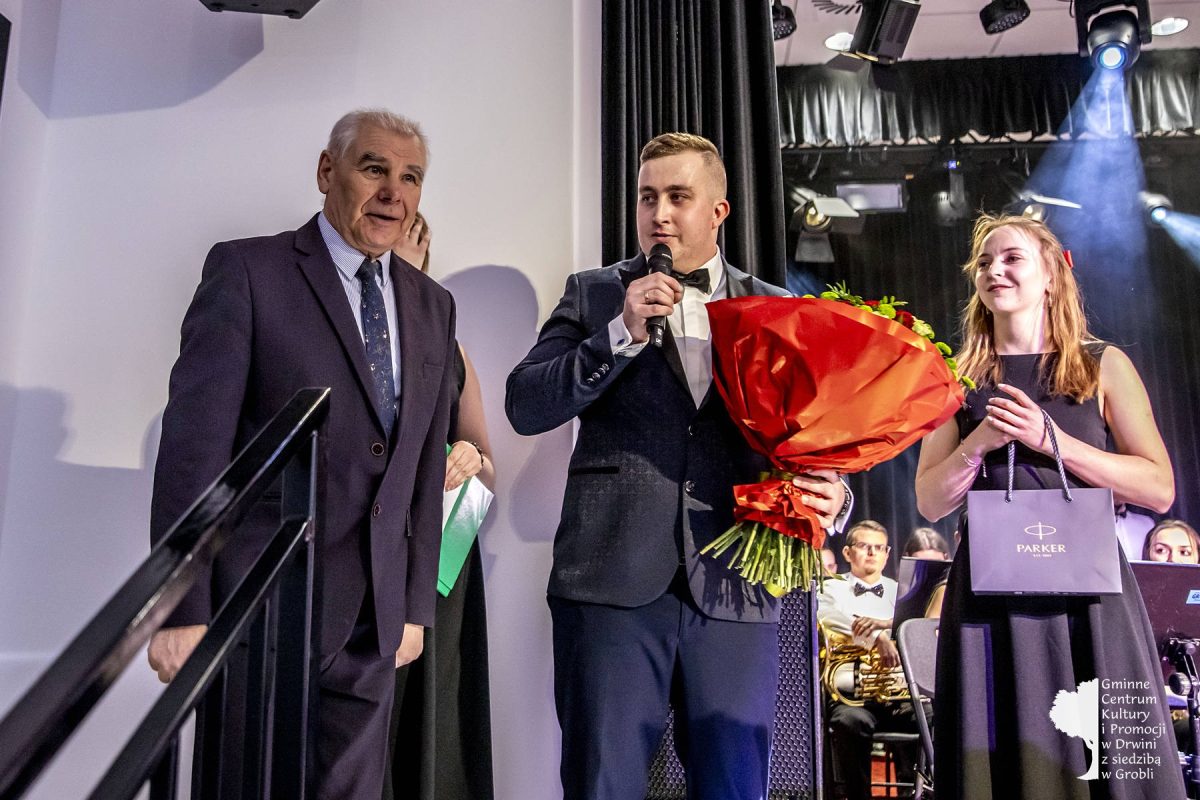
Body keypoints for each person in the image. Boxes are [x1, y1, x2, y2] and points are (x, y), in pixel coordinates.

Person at [505, 132, 850, 799]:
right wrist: (619, 335)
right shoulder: (595, 293)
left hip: (735, 585)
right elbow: (526, 403)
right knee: (602, 785)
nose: (659, 214)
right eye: (647, 198)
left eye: (678, 197)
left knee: (734, 786)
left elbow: (817, 438)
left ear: (718, 210)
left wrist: (836, 495)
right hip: (610, 582)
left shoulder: (776, 308)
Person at [147, 109, 458, 800]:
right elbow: (194, 453)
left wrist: (414, 605)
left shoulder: (434, 305)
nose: (394, 192)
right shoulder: (248, 271)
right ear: (327, 171)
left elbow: (422, 464)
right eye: (374, 168)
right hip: (259, 611)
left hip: (374, 624)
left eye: (411, 178)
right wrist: (180, 607)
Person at [915, 213, 1185, 798]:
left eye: (1012, 258)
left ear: (1051, 277)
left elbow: (1158, 487)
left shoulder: (1101, 364)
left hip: (1089, 597)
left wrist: (1051, 440)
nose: (995, 270)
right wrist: (977, 444)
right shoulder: (953, 379)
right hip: (990, 598)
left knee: (1111, 764)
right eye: (984, 262)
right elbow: (931, 501)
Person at [383, 214, 496, 800]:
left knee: (434, 722)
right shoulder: (342, 341)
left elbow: (487, 463)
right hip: (365, 552)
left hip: (440, 562)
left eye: (414, 249)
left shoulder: (452, 352)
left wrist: (472, 458)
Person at [818, 520, 915, 800]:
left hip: (899, 696)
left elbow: (917, 625)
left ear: (887, 554)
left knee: (935, 717)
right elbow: (826, 617)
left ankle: (917, 791)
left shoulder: (902, 592)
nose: (872, 553)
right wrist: (876, 637)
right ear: (847, 553)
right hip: (853, 698)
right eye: (864, 546)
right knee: (849, 722)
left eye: (878, 547)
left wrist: (887, 627)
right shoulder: (831, 588)